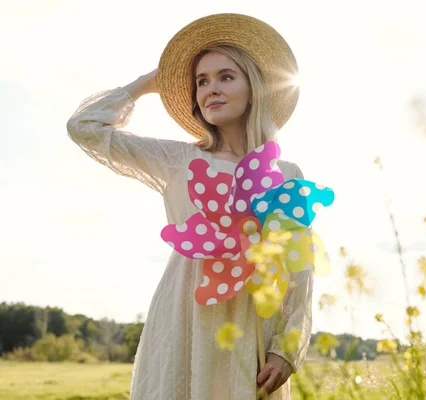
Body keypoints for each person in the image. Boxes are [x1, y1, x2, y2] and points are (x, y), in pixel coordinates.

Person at [66, 13, 312, 400]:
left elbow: (301, 268)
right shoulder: (178, 159)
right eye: (201, 81)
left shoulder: (287, 174)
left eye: (226, 77)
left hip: (253, 323)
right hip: (184, 315)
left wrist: (286, 348)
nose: (210, 89)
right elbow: (84, 127)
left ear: (255, 88)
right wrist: (147, 84)